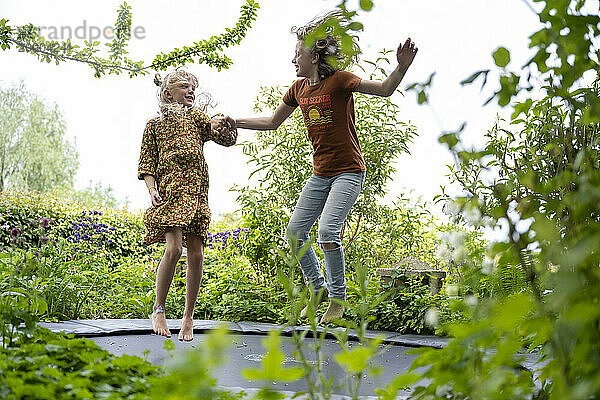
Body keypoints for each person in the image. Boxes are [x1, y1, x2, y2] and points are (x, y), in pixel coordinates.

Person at [232, 12, 418, 324]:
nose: (294, 59)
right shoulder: (298, 89)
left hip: (348, 171)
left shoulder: (341, 81)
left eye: (298, 53)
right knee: (295, 232)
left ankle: (337, 298)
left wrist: (401, 66)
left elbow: (384, 89)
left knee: (328, 230)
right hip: (321, 174)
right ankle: (316, 290)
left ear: (315, 56)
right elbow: (271, 123)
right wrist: (234, 121)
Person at [137, 69, 236, 341]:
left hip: (197, 192)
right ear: (168, 93)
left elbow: (224, 139)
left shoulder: (196, 118)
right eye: (184, 86)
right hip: (171, 191)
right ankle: (159, 309)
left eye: (194, 87)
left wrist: (225, 126)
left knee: (197, 254)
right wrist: (152, 189)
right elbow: (147, 164)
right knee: (173, 248)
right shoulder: (154, 126)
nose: (191, 90)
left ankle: (188, 317)